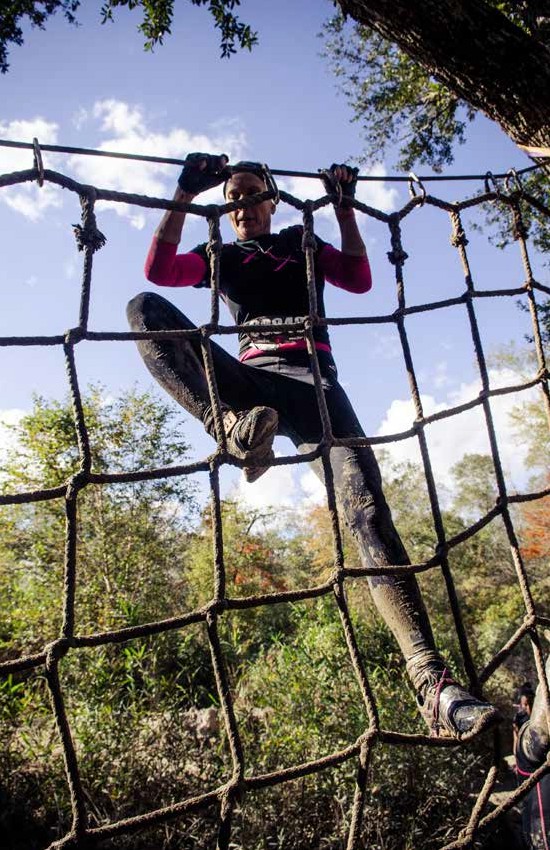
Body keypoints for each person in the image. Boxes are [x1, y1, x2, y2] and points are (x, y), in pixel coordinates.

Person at [127, 152, 501, 739]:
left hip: (317, 389)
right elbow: (159, 271)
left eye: (252, 194)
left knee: (367, 510)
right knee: (143, 311)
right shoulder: (221, 258)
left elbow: (358, 278)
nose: (242, 204)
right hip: (252, 384)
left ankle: (434, 686)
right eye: (232, 197)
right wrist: (183, 193)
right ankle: (230, 430)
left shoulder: (299, 242)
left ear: (272, 202)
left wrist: (345, 208)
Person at [515, 665, 550, 849]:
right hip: (540, 836)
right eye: (524, 704)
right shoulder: (522, 722)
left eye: (528, 703)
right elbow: (538, 737)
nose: (525, 706)